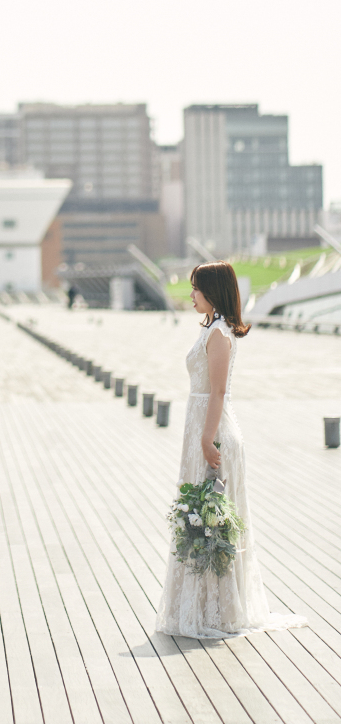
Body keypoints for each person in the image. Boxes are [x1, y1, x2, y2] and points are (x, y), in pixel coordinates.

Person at [156, 260, 305, 638]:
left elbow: (219, 391)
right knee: (201, 517)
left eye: (196, 289)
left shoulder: (220, 334)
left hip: (214, 429)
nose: (191, 295)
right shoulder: (212, 330)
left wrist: (207, 439)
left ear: (213, 292)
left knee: (212, 518)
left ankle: (219, 611)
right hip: (201, 426)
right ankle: (205, 606)